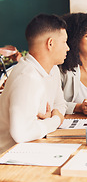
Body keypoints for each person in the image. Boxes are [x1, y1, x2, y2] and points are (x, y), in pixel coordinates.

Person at [0, 14, 68, 154]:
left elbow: (61, 104)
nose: (67, 48)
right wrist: (56, 120)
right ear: (50, 43)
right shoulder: (27, 76)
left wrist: (49, 118)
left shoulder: (53, 70)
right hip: (9, 157)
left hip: (33, 146)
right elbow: (21, 133)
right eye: (64, 42)